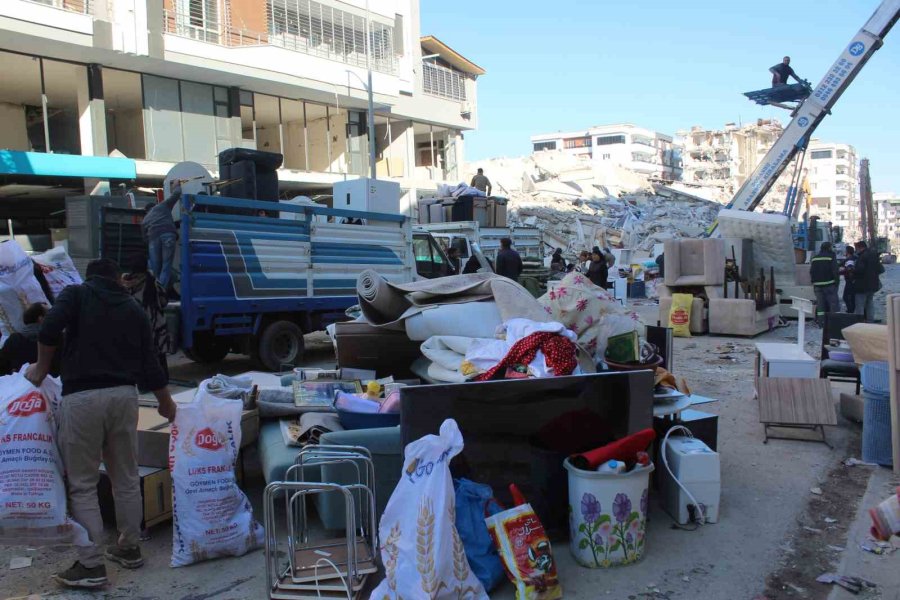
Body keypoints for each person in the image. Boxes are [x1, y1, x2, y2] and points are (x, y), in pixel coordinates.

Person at [25, 258, 177, 589]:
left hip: (82, 399)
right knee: (125, 475)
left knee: (82, 483)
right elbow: (150, 363)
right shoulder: (133, 309)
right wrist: (166, 402)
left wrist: (39, 369)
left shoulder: (76, 295)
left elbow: (49, 328)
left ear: (90, 277)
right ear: (118, 280)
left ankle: (91, 565)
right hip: (124, 397)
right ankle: (129, 547)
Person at [121, 254, 172, 385]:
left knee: (139, 356)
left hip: (135, 325)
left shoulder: (126, 284)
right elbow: (164, 301)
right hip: (156, 325)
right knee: (159, 357)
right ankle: (161, 383)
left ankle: (142, 384)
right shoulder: (153, 282)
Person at [141, 181, 182, 290]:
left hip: (153, 239)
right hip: (167, 235)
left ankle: (157, 290)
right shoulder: (162, 205)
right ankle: (162, 290)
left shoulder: (145, 219)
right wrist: (176, 185)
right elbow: (177, 194)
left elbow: (144, 238)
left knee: (156, 268)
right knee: (166, 265)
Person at [0, 303, 59, 375]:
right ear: (41, 319)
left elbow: (3, 367)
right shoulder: (54, 336)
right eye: (49, 312)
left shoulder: (14, 339)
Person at [852, 240, 884, 322]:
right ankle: (870, 321)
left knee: (860, 305)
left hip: (862, 285)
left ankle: (859, 323)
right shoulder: (874, 256)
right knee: (869, 303)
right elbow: (881, 269)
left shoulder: (862, 257)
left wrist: (852, 271)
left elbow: (859, 270)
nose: (856, 250)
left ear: (860, 247)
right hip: (873, 285)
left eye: (856, 248)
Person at [810, 242, 840, 326]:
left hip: (817, 286)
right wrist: (836, 283)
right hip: (829, 285)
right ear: (829, 248)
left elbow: (812, 271)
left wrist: (813, 282)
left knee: (820, 305)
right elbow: (835, 271)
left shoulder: (815, 258)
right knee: (833, 304)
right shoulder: (831, 257)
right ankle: (834, 323)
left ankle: (821, 322)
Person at [840, 245, 856, 313]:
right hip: (852, 280)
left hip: (850, 281)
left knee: (846, 297)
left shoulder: (849, 260)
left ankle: (850, 311)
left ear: (847, 252)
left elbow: (850, 269)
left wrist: (840, 271)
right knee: (851, 297)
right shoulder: (854, 258)